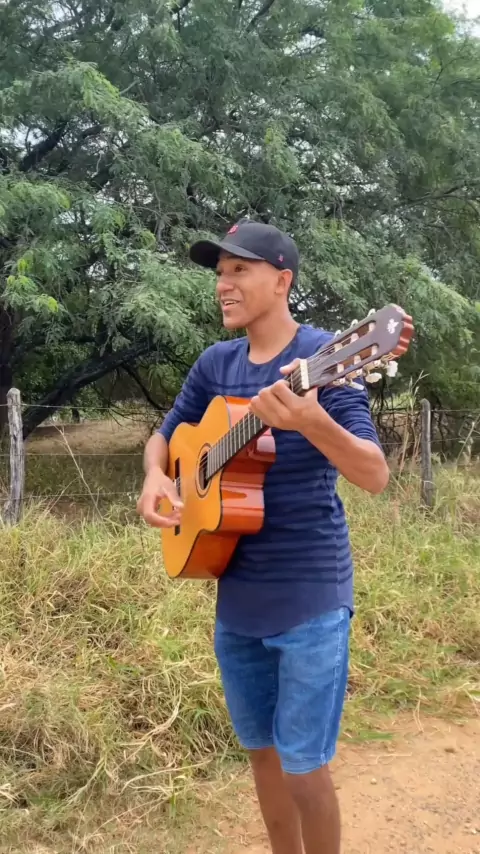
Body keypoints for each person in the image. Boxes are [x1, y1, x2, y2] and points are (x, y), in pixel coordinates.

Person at [137, 219, 389, 854]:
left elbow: (374, 474)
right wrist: (154, 478)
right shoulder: (215, 364)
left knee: (303, 766)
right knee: (264, 758)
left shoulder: (325, 358)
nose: (223, 285)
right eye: (220, 273)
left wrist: (311, 421)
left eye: (239, 271)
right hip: (236, 594)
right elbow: (166, 436)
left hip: (309, 595)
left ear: (282, 281)